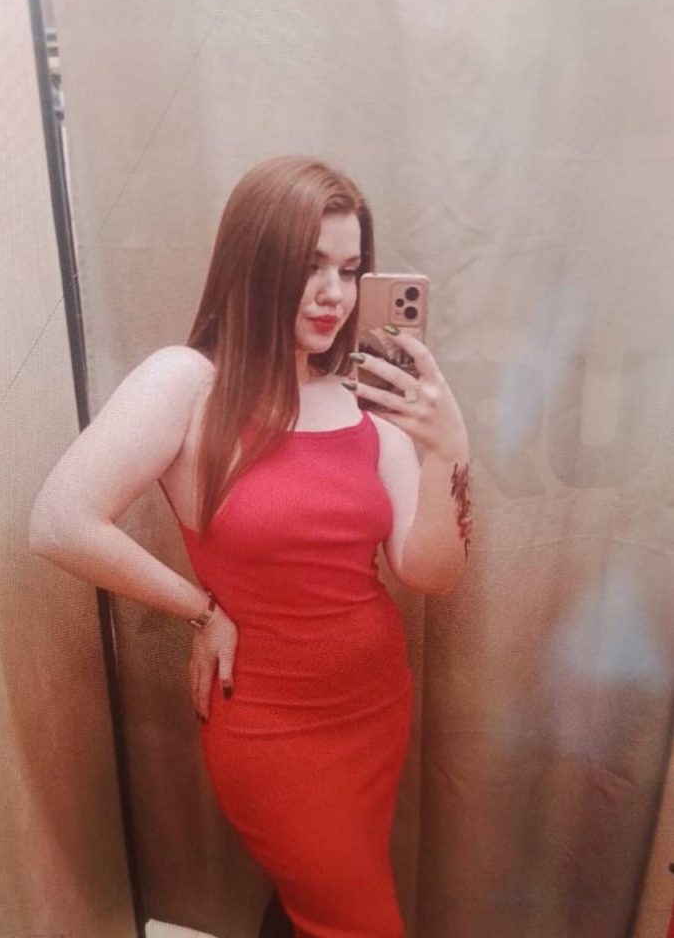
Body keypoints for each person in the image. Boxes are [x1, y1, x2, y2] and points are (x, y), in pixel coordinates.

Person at [29, 155, 472, 938]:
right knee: (355, 918)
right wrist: (200, 610)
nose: (334, 294)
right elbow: (61, 520)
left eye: (349, 270)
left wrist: (447, 450)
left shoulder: (362, 401)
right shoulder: (188, 383)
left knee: (321, 901)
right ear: (254, 261)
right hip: (271, 725)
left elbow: (427, 574)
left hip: (375, 706)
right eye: (310, 266)